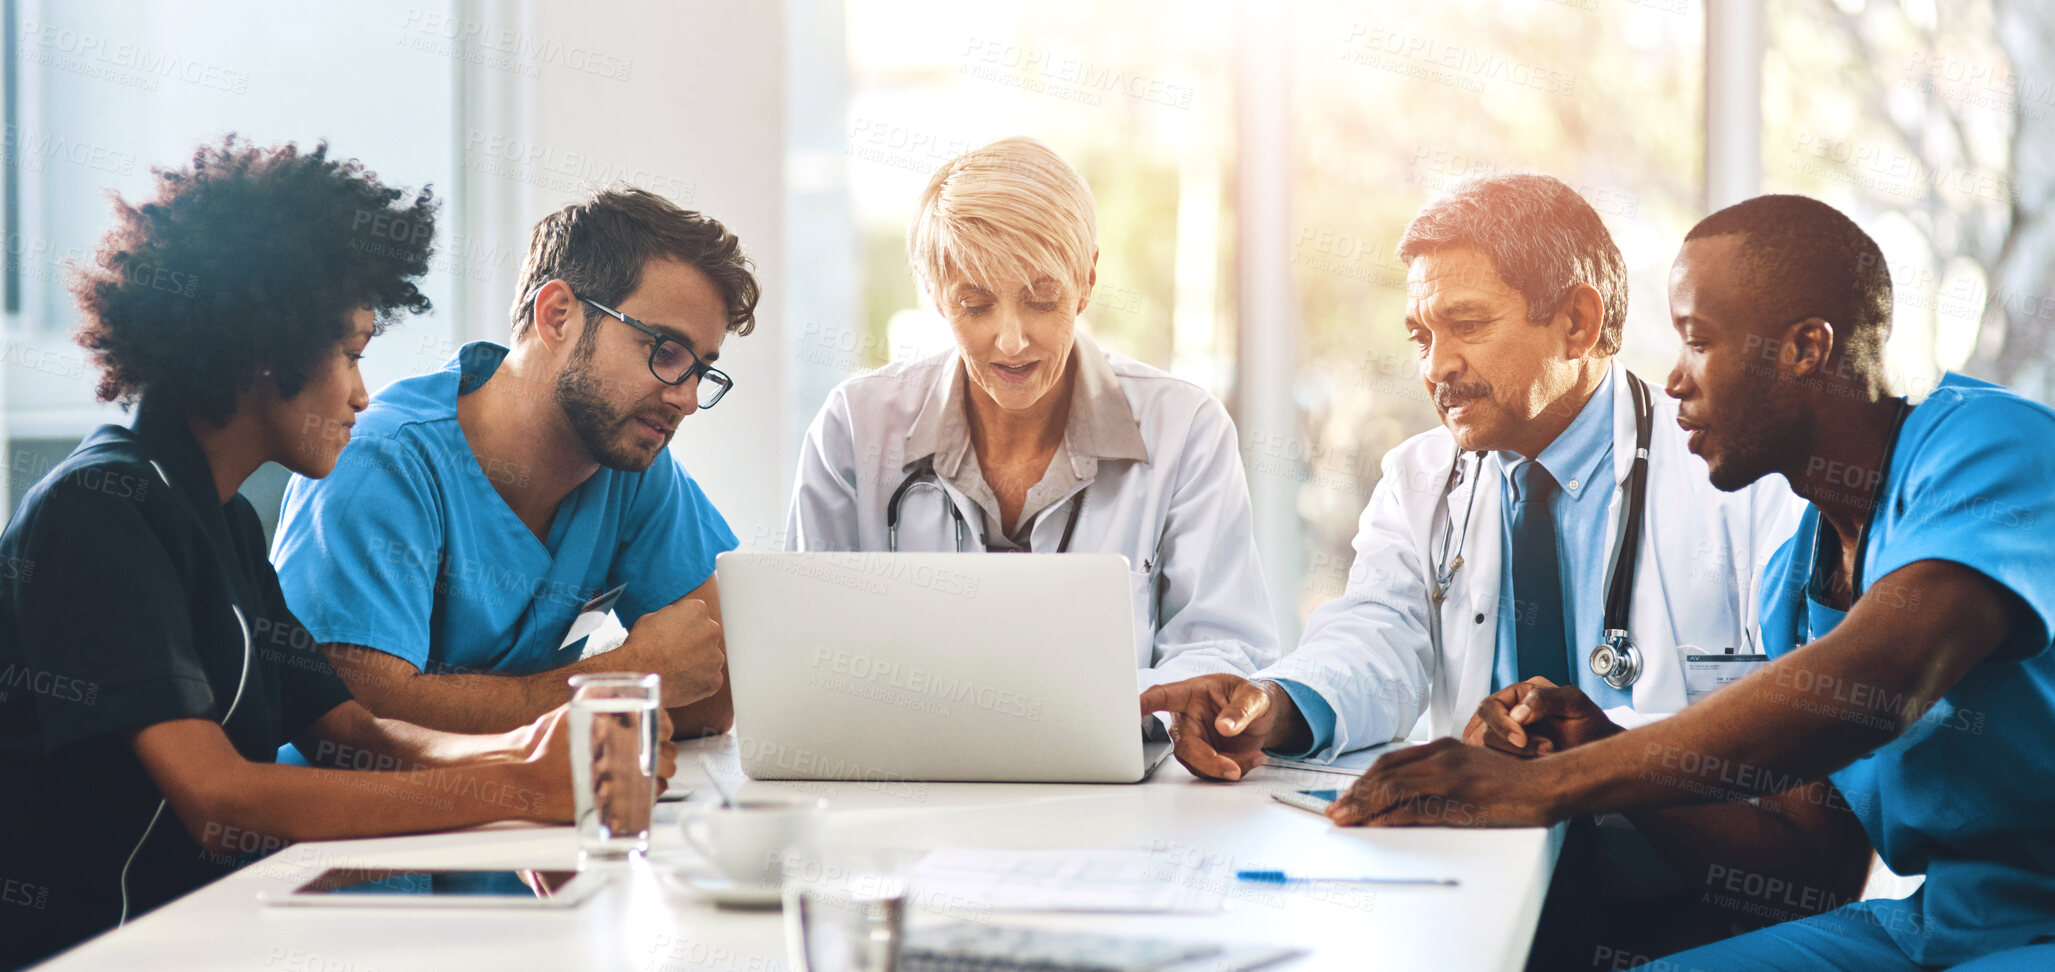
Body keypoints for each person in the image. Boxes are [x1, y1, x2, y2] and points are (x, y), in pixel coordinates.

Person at [1338, 194, 2055, 971]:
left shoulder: (1991, 445)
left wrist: (1544, 788)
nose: (1672, 381)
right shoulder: (1798, 581)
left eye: (1698, 342)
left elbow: (1886, 672)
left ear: (1806, 348)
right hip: (1937, 929)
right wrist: (1607, 752)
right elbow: (1809, 874)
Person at [0, 139, 642, 971]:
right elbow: (218, 796)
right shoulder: (100, 512)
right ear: (266, 348)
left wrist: (531, 753)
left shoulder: (221, 521)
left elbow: (355, 731)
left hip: (221, 940)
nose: (361, 393)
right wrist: (519, 790)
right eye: (351, 354)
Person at [1140, 174, 1806, 961]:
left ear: (1576, 322)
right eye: (1420, 336)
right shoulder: (1420, 478)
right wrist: (1276, 703)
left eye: (1466, 324)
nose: (1436, 366)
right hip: (1481, 894)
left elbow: (1784, 743)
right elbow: (1374, 638)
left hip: (1688, 907)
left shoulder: (1736, 481)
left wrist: (1587, 742)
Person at [785, 136, 1277, 687]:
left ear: (1087, 281)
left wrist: (1117, 708)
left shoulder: (1185, 429)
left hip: (1115, 769)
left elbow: (1222, 649)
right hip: (909, 768)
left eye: (1042, 300)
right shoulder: (854, 427)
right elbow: (813, 648)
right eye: (975, 305)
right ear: (933, 293)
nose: (1012, 341)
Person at [270, 187, 756, 739]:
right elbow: (358, 723)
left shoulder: (632, 466)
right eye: (664, 352)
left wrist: (588, 693)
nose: (686, 399)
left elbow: (711, 694)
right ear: (556, 316)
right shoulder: (383, 461)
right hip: (367, 824)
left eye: (701, 371)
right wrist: (622, 680)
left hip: (527, 818)